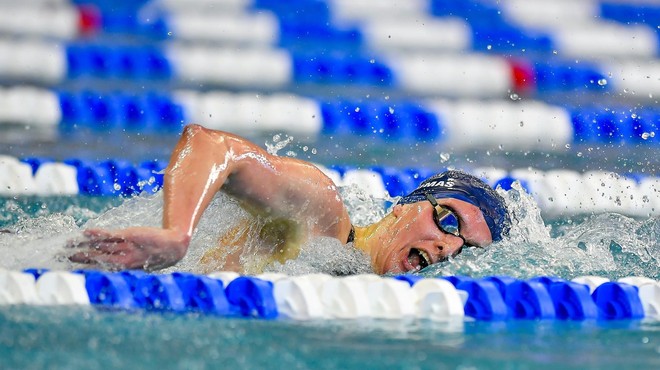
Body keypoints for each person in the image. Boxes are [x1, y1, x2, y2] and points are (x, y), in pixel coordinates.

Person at [69, 124, 510, 274]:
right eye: (450, 224)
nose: (448, 248)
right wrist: (176, 234)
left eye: (464, 249)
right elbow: (211, 145)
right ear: (406, 205)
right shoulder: (320, 216)